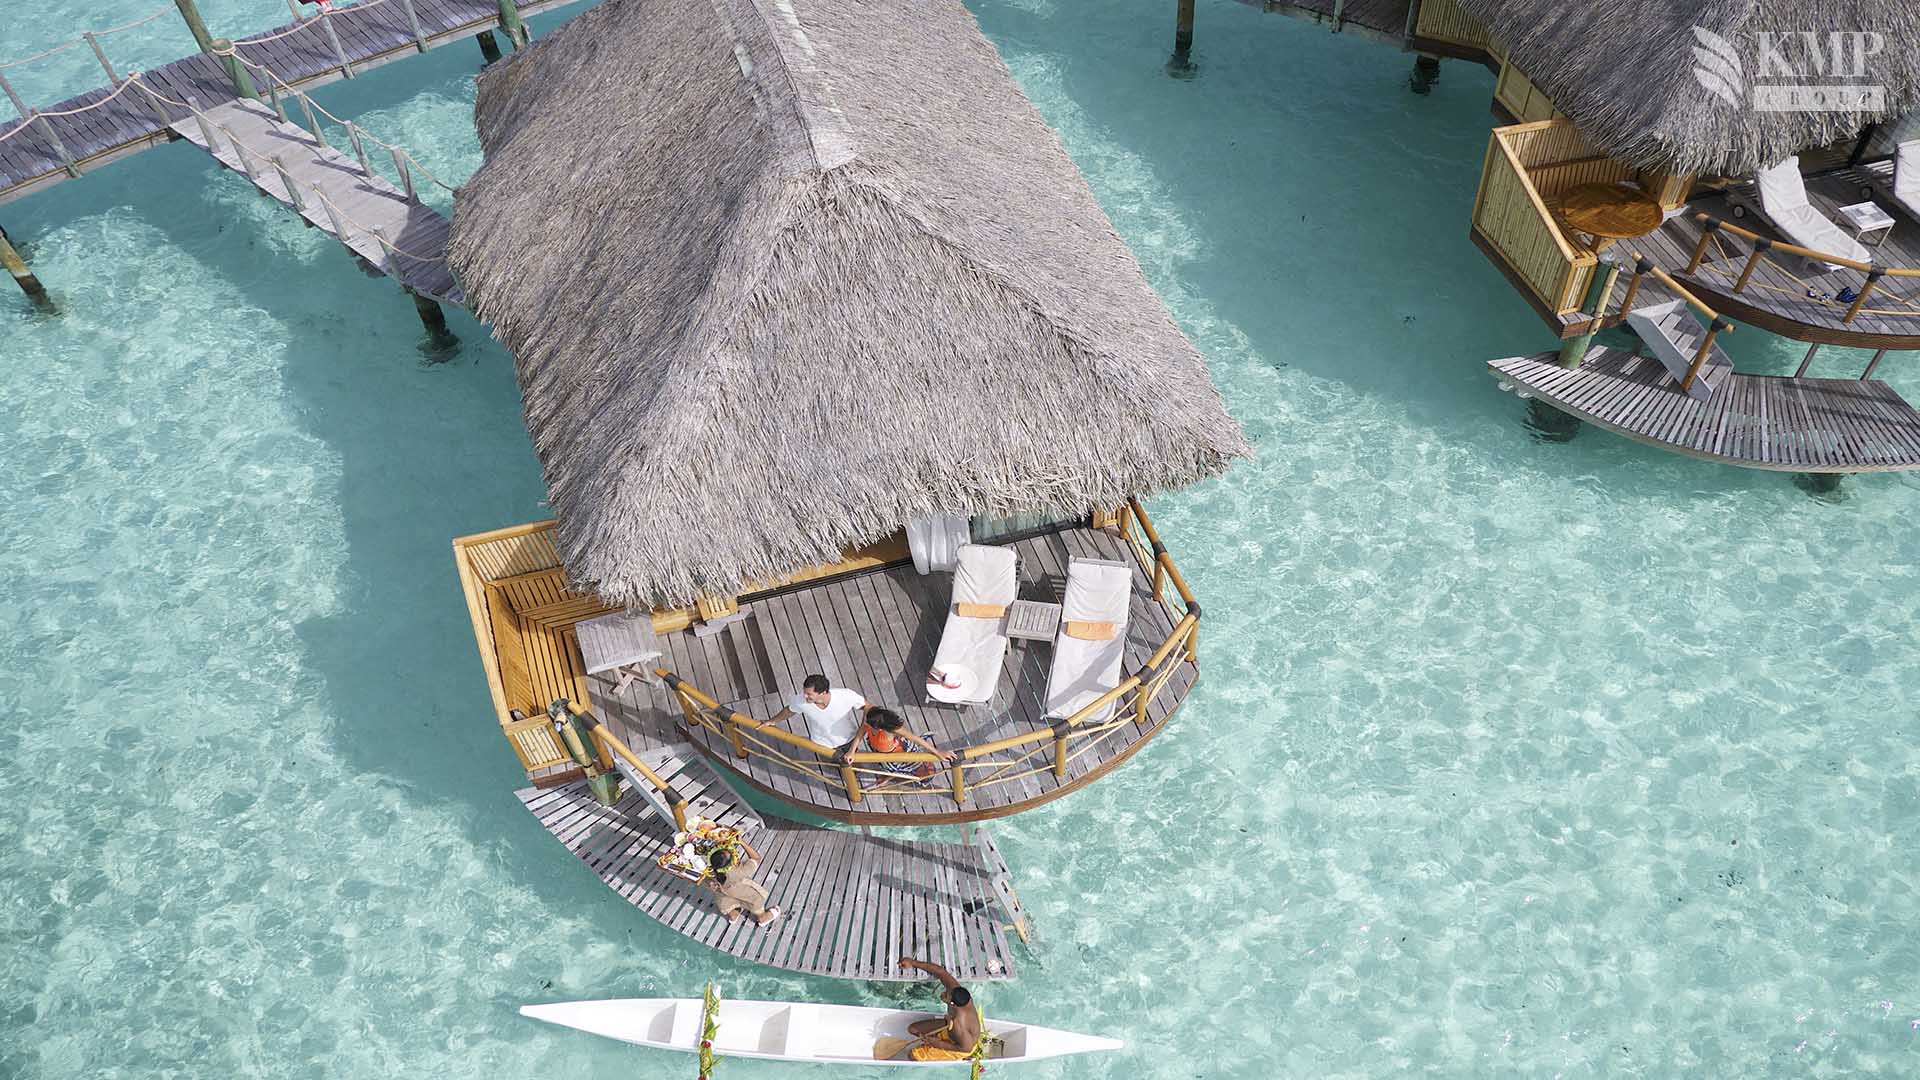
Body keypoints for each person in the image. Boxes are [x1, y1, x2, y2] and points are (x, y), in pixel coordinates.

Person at [898, 956, 984, 1061]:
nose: (944, 993)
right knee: (912, 1029)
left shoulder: (959, 1024)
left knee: (912, 1056)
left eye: (946, 995)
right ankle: (937, 1036)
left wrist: (938, 1043)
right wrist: (912, 963)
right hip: (950, 1026)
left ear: (952, 1004)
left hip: (960, 1045)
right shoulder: (956, 992)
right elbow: (940, 971)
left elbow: (966, 1048)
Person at [769, 674, 873, 751]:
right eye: (804, 692)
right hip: (821, 745)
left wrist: (863, 728)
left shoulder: (845, 695)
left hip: (848, 739)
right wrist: (772, 721)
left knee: (854, 766)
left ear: (823, 692)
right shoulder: (801, 700)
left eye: (809, 694)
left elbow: (868, 707)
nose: (805, 696)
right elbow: (789, 710)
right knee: (829, 765)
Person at [701, 840, 781, 927]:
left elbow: (700, 880)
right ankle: (762, 918)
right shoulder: (739, 872)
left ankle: (733, 915)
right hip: (742, 892)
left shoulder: (708, 873)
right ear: (731, 864)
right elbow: (756, 858)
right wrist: (742, 842)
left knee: (726, 902)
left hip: (723, 897)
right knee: (754, 901)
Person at [861, 708, 952, 780]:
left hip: (897, 755)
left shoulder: (891, 730)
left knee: (919, 772)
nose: (865, 723)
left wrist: (938, 752)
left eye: (869, 725)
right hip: (878, 750)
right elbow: (862, 730)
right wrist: (853, 750)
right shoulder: (871, 718)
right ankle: (889, 774)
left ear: (880, 728)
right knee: (888, 767)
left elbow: (915, 739)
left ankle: (890, 776)